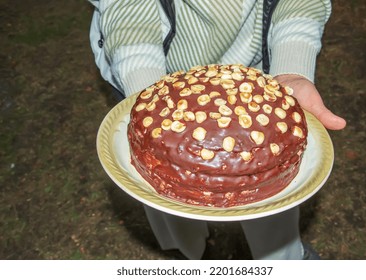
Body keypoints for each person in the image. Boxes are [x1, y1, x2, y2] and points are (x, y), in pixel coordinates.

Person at [88, 0, 346, 260]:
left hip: (252, 79)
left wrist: (293, 68)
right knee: (163, 187)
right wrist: (152, 102)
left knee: (271, 189)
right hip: (154, 74)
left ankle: (284, 260)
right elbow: (128, 14)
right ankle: (190, 252)